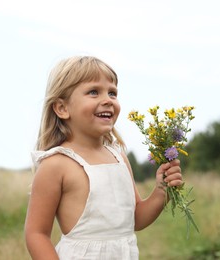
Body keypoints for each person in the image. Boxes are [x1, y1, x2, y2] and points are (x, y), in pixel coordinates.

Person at [24, 56, 183, 260]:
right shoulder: (56, 164)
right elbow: (36, 234)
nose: (107, 100)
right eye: (93, 92)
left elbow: (135, 219)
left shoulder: (118, 157)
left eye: (112, 93)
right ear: (62, 108)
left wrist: (162, 190)